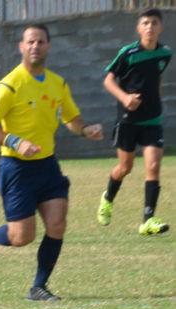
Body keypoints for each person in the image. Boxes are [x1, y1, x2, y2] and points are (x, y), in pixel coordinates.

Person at [0, 24, 103, 301]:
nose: (35, 46)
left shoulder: (57, 83)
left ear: (48, 46)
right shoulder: (9, 85)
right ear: (21, 46)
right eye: (30, 42)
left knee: (57, 224)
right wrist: (16, 142)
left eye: (41, 41)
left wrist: (85, 129)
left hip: (48, 166)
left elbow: (71, 118)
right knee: (21, 237)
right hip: (16, 169)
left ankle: (38, 287)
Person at [97, 8, 171, 235]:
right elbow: (108, 80)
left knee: (154, 166)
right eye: (146, 23)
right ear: (139, 28)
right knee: (125, 167)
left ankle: (148, 220)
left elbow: (156, 78)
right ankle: (108, 198)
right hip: (128, 121)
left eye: (154, 23)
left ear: (161, 27)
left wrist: (155, 102)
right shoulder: (128, 53)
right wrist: (125, 98)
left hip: (152, 120)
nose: (150, 27)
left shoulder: (165, 53)